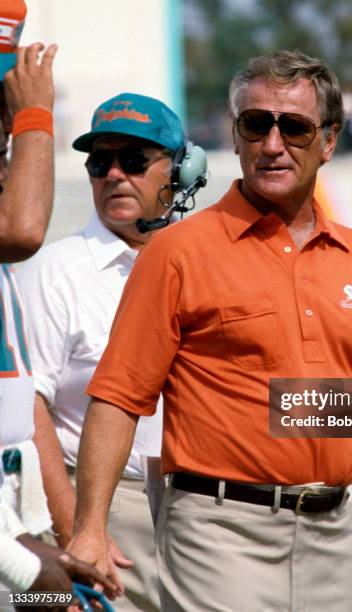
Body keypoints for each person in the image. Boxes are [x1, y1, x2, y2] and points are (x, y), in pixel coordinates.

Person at [67, 50, 352, 611]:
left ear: (329, 141)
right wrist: (89, 527)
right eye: (256, 125)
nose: (273, 144)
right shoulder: (176, 252)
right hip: (216, 532)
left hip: (332, 535)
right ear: (234, 137)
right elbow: (117, 396)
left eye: (295, 127)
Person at [17, 92, 190, 611]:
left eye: (133, 160)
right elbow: (28, 407)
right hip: (94, 510)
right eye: (99, 162)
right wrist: (77, 530)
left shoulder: (208, 264)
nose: (114, 175)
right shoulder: (51, 269)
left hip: (199, 511)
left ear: (180, 171)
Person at [0, 0, 116, 603]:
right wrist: (34, 117)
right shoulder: (45, 262)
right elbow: (20, 228)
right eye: (101, 160)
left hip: (18, 515)